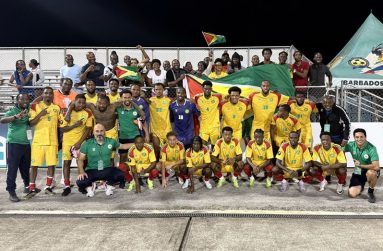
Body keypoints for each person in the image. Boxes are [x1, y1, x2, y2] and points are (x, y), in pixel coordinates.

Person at [76, 124, 131, 197]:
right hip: (92, 170)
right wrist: (81, 171)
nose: (99, 133)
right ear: (93, 132)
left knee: (121, 175)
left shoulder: (111, 141)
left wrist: (137, 143)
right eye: (97, 131)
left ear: (105, 131)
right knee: (80, 182)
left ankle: (108, 184)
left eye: (101, 131)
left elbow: (124, 147)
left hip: (107, 169)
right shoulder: (87, 144)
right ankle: (91, 186)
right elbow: (80, 159)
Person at [28, 87, 60, 196]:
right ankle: (32, 188)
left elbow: (61, 124)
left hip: (52, 141)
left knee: (51, 165)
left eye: (50, 93)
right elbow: (31, 123)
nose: (48, 95)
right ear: (42, 94)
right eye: (46, 93)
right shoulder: (35, 106)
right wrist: (40, 114)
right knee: (34, 165)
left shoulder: (57, 108)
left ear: (53, 95)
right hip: (38, 141)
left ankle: (48, 187)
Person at [59, 94, 93, 196]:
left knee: (81, 164)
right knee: (66, 164)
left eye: (83, 103)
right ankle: (67, 186)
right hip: (67, 143)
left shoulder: (87, 113)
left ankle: (81, 185)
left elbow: (88, 129)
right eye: (79, 102)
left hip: (80, 142)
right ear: (75, 102)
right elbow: (63, 128)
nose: (81, 104)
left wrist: (79, 143)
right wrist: (74, 124)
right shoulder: (65, 111)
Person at [0, 94, 32, 202]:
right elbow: (2, 120)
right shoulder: (13, 111)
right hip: (14, 144)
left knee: (25, 167)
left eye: (27, 99)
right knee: (12, 169)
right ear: (18, 100)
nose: (25, 101)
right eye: (22, 99)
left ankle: (27, 187)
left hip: (26, 144)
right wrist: (16, 117)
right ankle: (11, 191)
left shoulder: (28, 109)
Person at [116, 89, 148, 182]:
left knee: (137, 157)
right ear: (121, 98)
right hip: (123, 136)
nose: (127, 99)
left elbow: (143, 119)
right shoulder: (118, 108)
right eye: (124, 97)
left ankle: (138, 177)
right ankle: (123, 177)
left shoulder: (136, 109)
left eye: (129, 97)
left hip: (135, 136)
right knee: (123, 158)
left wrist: (146, 134)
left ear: (132, 97)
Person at [344, 128, 380, 203]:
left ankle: (371, 191)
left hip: (370, 170)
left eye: (361, 137)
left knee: (371, 173)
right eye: (357, 137)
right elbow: (337, 150)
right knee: (352, 194)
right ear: (354, 138)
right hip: (358, 171)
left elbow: (376, 166)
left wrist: (360, 165)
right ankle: (361, 185)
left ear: (365, 137)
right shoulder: (350, 145)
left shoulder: (371, 148)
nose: (359, 139)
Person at [195, 81, 222, 147]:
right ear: (202, 88)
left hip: (214, 127)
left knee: (215, 148)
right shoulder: (198, 98)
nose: (207, 90)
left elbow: (226, 99)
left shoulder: (217, 97)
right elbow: (194, 105)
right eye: (205, 89)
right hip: (204, 127)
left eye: (209, 89)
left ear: (211, 89)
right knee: (203, 146)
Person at [149, 83, 172, 157]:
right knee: (156, 148)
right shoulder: (150, 100)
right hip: (155, 130)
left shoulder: (168, 100)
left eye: (160, 89)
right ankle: (157, 164)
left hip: (166, 129)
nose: (158, 91)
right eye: (156, 89)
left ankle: (166, 165)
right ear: (154, 90)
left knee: (168, 149)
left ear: (163, 90)